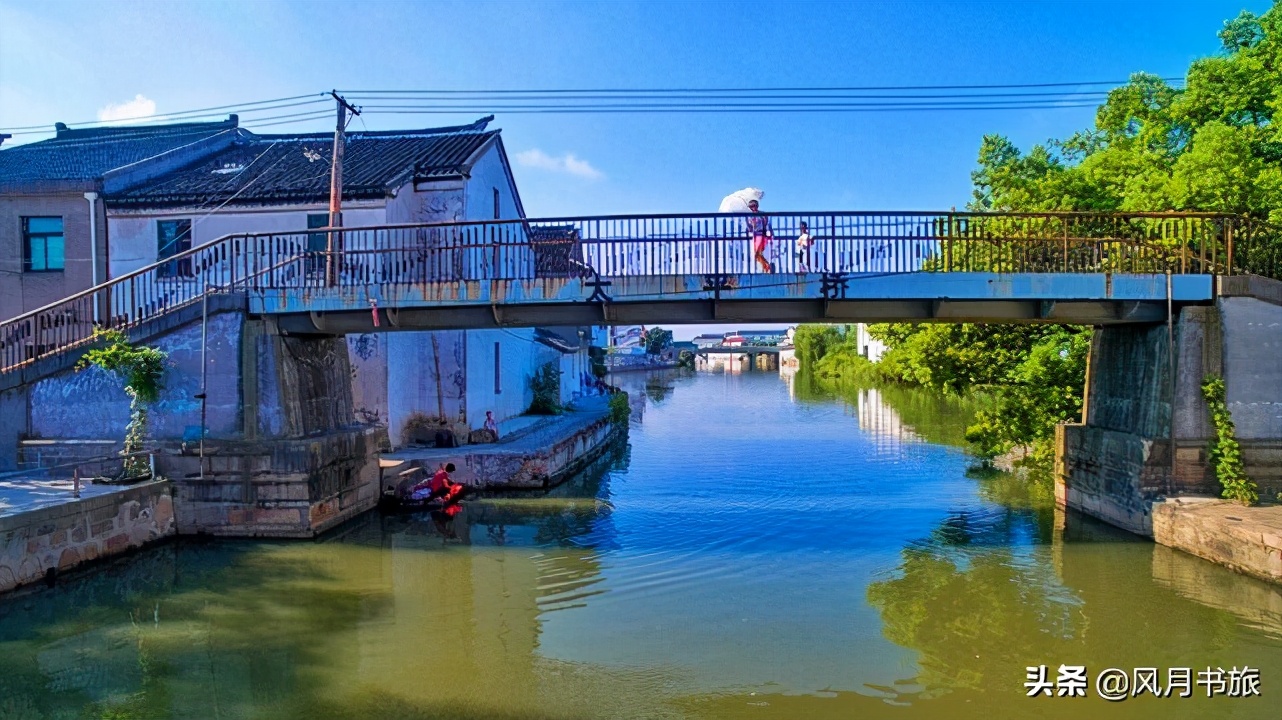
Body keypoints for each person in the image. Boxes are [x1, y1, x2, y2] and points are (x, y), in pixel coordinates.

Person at [746, 199, 773, 273]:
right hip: (755, 236)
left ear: (757, 206)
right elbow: (750, 228)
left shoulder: (762, 214)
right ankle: (767, 267)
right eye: (751, 206)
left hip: (761, 235)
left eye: (754, 206)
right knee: (757, 255)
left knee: (757, 254)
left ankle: (767, 266)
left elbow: (766, 223)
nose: (752, 208)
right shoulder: (750, 216)